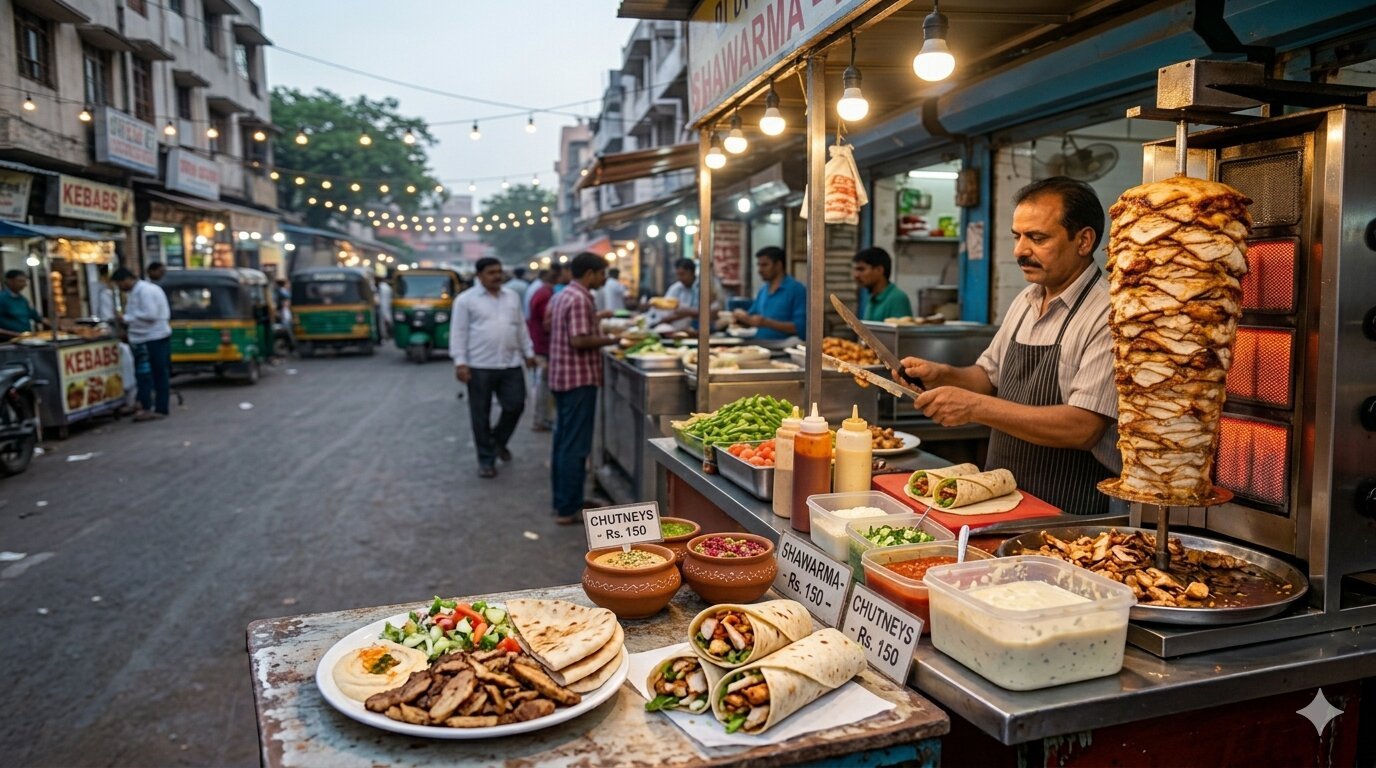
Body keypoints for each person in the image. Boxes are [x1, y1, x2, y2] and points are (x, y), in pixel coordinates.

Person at [898, 176, 1118, 515]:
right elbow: (988, 376)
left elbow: (1083, 427)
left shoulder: (1108, 313)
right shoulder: (1026, 300)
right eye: (1018, 237)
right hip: (1002, 499)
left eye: (1037, 238)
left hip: (1070, 509)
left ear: (1084, 240)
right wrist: (942, 374)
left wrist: (974, 408)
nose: (1020, 251)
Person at [546, 252, 618, 525]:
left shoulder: (564, 294)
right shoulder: (579, 298)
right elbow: (578, 340)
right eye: (602, 273)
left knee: (564, 442)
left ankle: (567, 500)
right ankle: (567, 508)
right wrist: (612, 339)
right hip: (577, 380)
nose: (603, 279)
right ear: (590, 274)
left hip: (563, 378)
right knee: (575, 445)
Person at [451, 257, 535, 479]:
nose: (497, 276)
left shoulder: (512, 297)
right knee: (480, 414)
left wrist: (529, 352)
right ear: (479, 275)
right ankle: (486, 460)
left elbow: (520, 327)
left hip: (510, 362)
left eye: (499, 271)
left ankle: (497, 441)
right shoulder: (465, 300)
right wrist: (460, 362)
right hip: (479, 365)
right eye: (491, 272)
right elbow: (458, 332)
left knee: (515, 405)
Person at [114, 267, 172, 421]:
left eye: (120, 283)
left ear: (126, 280)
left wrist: (126, 319)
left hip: (152, 337)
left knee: (150, 374)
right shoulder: (139, 291)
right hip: (144, 337)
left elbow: (150, 314)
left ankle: (156, 408)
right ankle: (144, 404)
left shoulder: (145, 291)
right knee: (146, 374)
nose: (120, 287)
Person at [731, 246, 807, 340]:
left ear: (778, 265)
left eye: (765, 265)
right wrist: (741, 318)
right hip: (760, 346)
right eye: (758, 265)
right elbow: (752, 319)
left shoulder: (797, 290)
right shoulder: (763, 290)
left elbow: (801, 328)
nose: (760, 270)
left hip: (784, 349)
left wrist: (766, 323)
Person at [526, 266, 561, 432]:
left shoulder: (543, 292)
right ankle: (540, 420)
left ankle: (542, 419)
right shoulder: (544, 294)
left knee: (543, 384)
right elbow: (547, 323)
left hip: (540, 343)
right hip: (542, 345)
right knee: (543, 386)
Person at [853, 247, 913, 321]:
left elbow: (899, 331)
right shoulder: (873, 298)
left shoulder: (897, 299)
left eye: (861, 269)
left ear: (879, 270)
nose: (856, 275)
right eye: (855, 270)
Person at [0, 270, 47, 339]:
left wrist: (57, 325)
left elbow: (36, 317)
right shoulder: (2, 299)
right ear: (9, 281)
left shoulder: (22, 299)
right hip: (8, 342)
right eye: (20, 281)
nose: (24, 284)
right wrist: (18, 335)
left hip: (25, 339)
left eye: (25, 281)